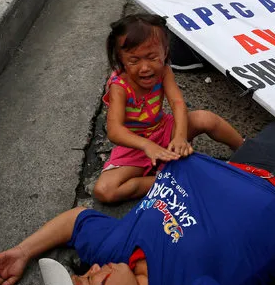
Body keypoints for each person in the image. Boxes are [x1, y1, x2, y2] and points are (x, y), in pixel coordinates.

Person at [0, 122, 275, 285]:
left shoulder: (111, 253)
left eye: (84, 274)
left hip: (247, 164)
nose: (93, 272)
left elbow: (74, 222)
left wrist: (23, 251)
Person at [94, 13, 243, 203]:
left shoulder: (164, 71)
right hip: (136, 146)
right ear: (121, 60)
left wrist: (180, 136)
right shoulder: (119, 86)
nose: (145, 67)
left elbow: (177, 103)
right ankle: (168, 179)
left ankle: (245, 149)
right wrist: (148, 146)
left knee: (206, 118)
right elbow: (114, 131)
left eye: (152, 57)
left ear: (165, 51)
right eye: (134, 60)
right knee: (105, 191)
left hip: (165, 131)